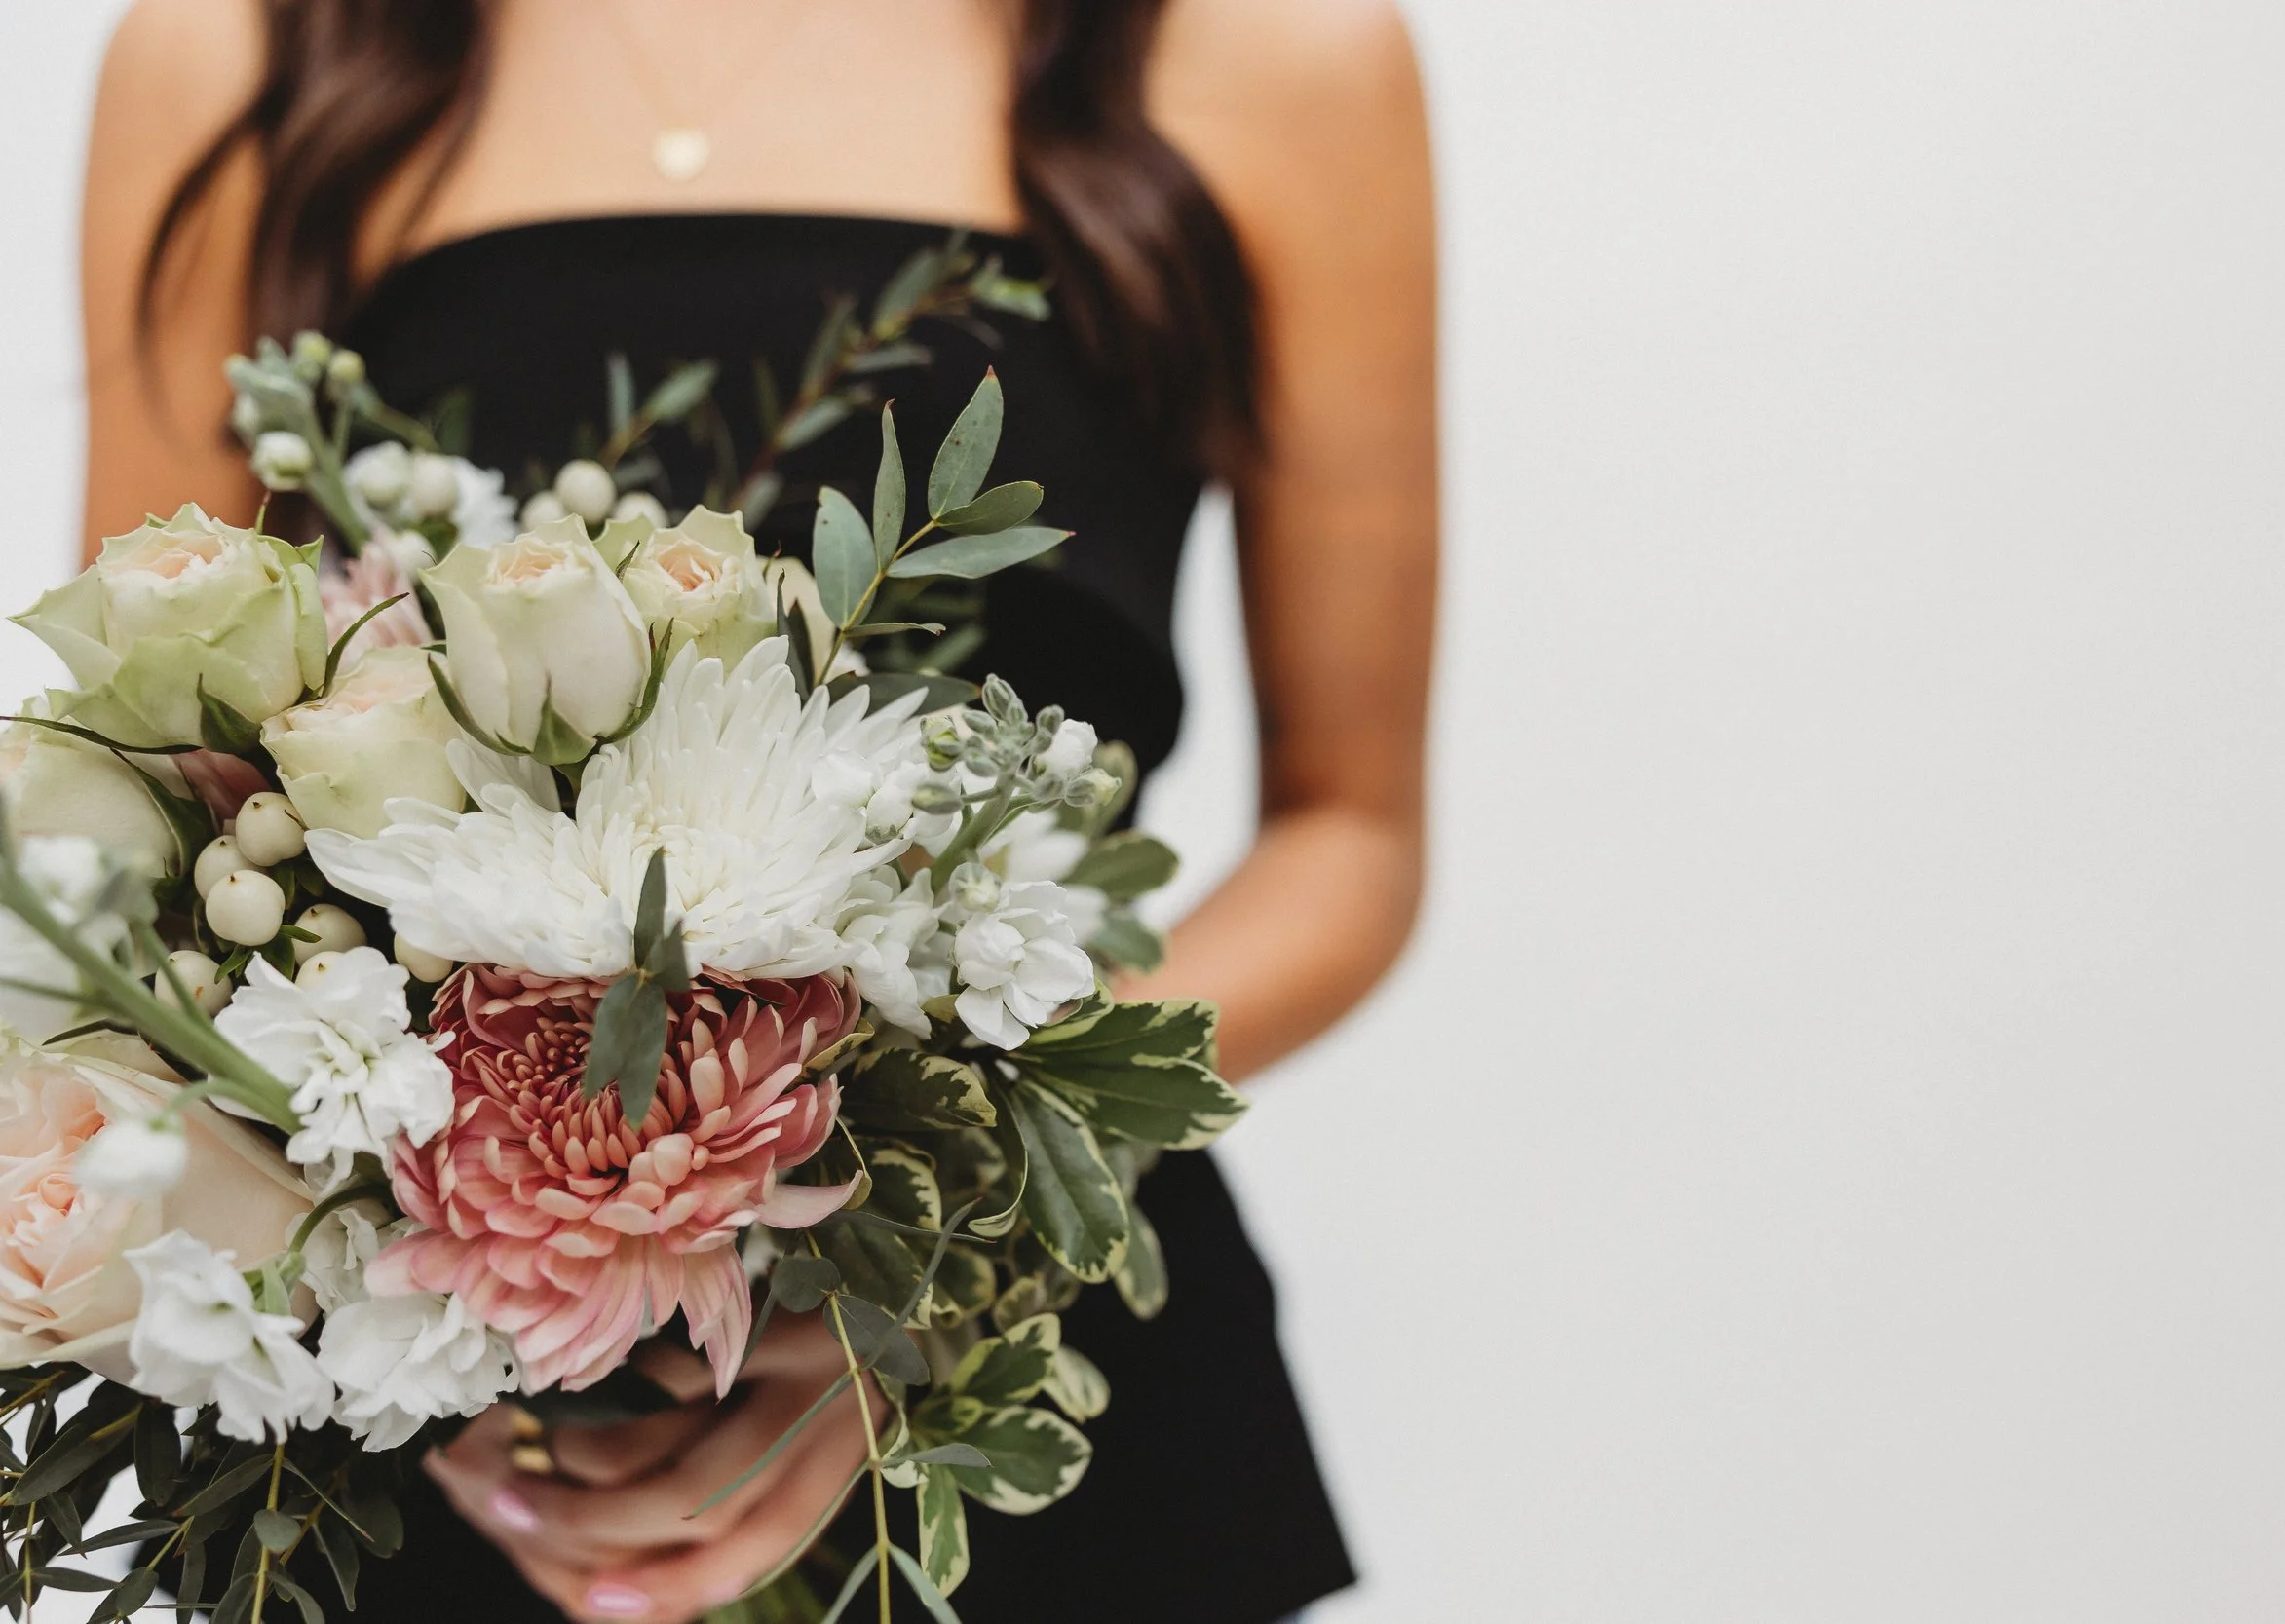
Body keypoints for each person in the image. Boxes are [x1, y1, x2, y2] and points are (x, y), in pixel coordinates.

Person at [78, 1, 1435, 1619]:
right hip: (424, 1431)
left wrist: (921, 1238)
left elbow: (1350, 835)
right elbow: (139, 800)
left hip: (1040, 1391)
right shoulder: (247, 51)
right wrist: (418, 1321)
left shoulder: (1269, 57)